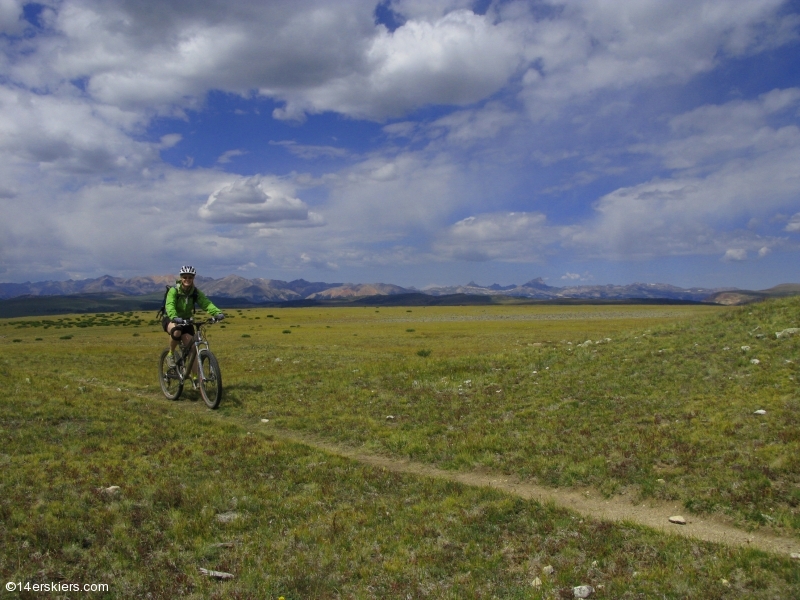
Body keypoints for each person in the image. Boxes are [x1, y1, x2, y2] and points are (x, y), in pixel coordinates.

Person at [162, 266, 224, 368]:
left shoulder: (195, 292)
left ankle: (196, 380)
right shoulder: (174, 291)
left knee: (193, 349)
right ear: (181, 278)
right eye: (185, 277)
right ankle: (171, 355)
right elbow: (170, 305)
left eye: (190, 277)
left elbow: (206, 303)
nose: (187, 279)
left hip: (186, 320)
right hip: (171, 318)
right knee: (176, 330)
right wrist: (174, 317)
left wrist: (217, 313)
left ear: (193, 278)